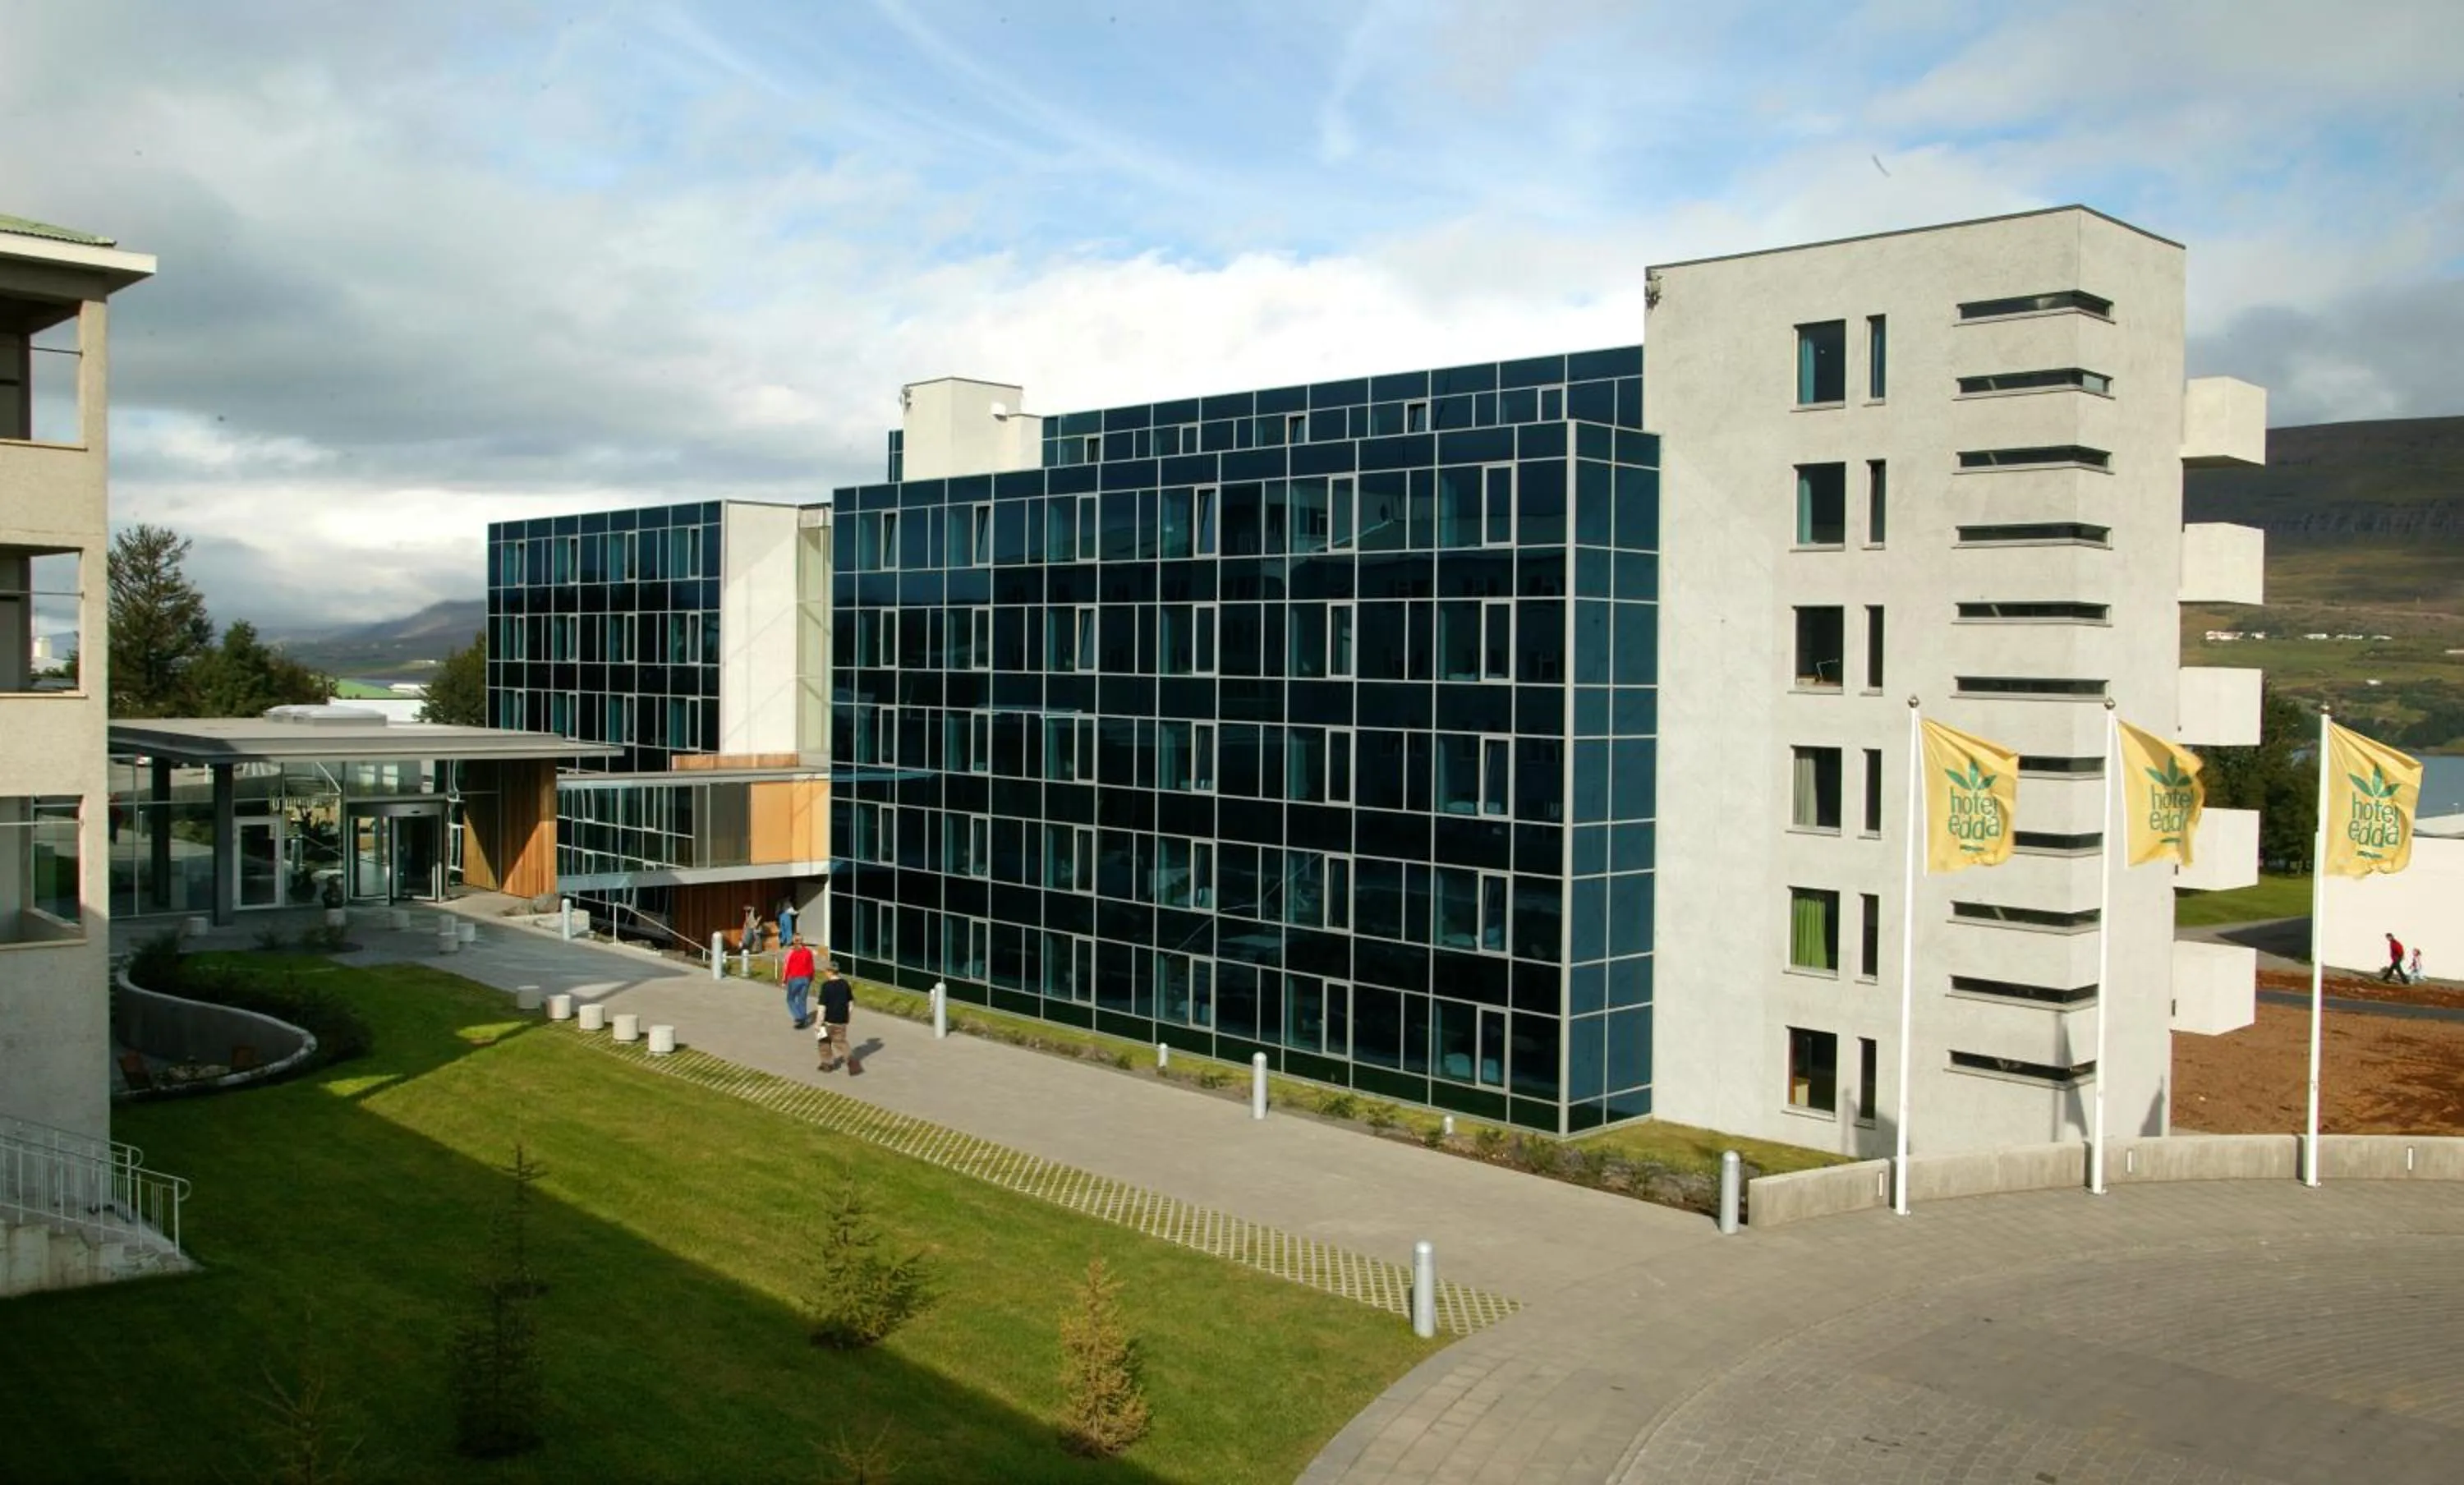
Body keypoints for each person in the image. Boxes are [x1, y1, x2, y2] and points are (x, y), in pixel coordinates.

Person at [816, 959, 858, 1075]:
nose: (825, 973)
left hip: (828, 1020)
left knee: (824, 1042)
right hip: (841, 1020)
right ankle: (853, 1064)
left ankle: (827, 1064)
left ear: (830, 972)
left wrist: (818, 1023)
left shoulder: (826, 986)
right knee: (841, 1042)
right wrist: (848, 1017)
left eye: (826, 971)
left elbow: (822, 1007)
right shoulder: (845, 984)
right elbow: (851, 1003)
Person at [782, 936, 816, 1030]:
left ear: (793, 941)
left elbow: (787, 967)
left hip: (794, 978)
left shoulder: (791, 952)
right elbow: (811, 966)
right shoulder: (808, 952)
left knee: (790, 999)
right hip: (806, 979)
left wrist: (784, 980)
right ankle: (803, 1019)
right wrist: (811, 978)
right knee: (802, 1000)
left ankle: (799, 1017)